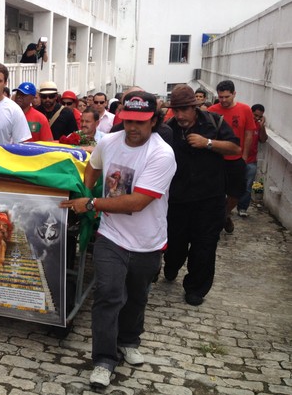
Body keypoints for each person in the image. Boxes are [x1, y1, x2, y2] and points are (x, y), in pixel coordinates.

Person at [60, 91, 176, 389]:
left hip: (147, 241)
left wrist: (91, 205)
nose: (133, 128)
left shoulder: (161, 154)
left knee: (136, 297)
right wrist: (87, 193)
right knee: (109, 295)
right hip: (111, 236)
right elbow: (92, 166)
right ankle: (103, 360)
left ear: (154, 120)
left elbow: (137, 202)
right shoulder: (109, 141)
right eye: (128, 121)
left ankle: (129, 340)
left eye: (141, 122)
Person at [164, 85, 240, 306]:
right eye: (175, 110)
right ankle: (171, 265)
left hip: (209, 198)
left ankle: (196, 288)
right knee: (175, 244)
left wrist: (208, 143)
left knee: (205, 245)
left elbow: (234, 149)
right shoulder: (169, 129)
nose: (179, 115)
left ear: (194, 108)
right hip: (177, 200)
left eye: (184, 110)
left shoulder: (214, 123)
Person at [208, 80, 256, 233]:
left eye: (226, 97)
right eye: (220, 97)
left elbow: (249, 133)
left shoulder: (245, 109)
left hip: (237, 159)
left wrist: (244, 156)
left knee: (236, 192)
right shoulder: (212, 110)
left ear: (234, 94)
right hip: (217, 160)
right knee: (216, 192)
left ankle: (225, 214)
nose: (223, 100)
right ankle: (219, 217)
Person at [237, 104, 268, 217]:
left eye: (259, 116)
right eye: (255, 115)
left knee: (247, 186)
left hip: (251, 161)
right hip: (237, 158)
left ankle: (242, 208)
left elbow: (263, 140)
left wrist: (262, 125)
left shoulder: (258, 125)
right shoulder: (242, 122)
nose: (256, 118)